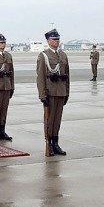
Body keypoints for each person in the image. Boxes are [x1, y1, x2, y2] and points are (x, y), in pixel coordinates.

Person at [36, 28, 70, 156]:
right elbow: (40, 77)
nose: (57, 41)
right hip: (49, 92)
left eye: (58, 39)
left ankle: (56, 143)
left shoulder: (63, 55)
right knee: (49, 120)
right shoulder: (43, 56)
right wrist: (42, 95)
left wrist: (67, 92)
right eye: (54, 39)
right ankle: (48, 143)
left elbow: (67, 75)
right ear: (48, 41)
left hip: (61, 91)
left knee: (57, 119)